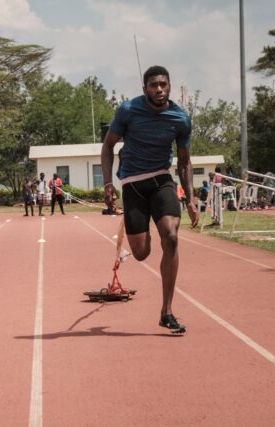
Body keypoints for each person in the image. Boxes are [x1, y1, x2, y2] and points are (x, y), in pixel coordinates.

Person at [101, 65, 198, 334]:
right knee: (142, 253)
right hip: (133, 183)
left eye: (163, 84)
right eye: (154, 85)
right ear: (145, 89)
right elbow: (108, 146)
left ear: (169, 86)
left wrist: (190, 198)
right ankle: (145, 230)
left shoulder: (180, 118)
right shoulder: (128, 110)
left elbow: (185, 162)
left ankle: (166, 311)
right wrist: (108, 183)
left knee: (172, 237)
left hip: (161, 180)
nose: (159, 89)